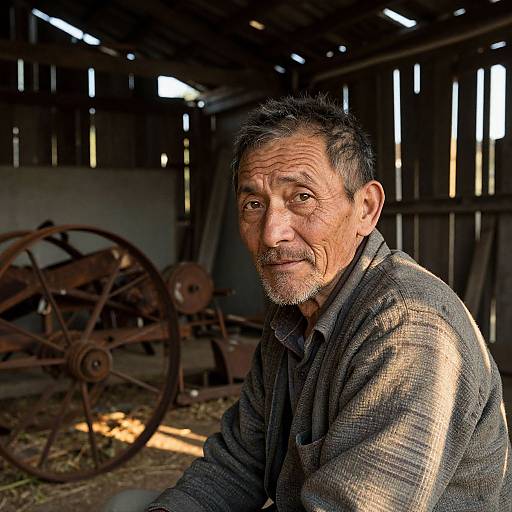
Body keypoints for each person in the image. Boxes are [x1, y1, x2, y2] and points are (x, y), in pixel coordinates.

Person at [105, 95, 512, 512]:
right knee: (129, 506)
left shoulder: (411, 330)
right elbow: (240, 461)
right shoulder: (291, 317)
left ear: (365, 209)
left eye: (301, 197)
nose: (271, 233)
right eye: (254, 205)